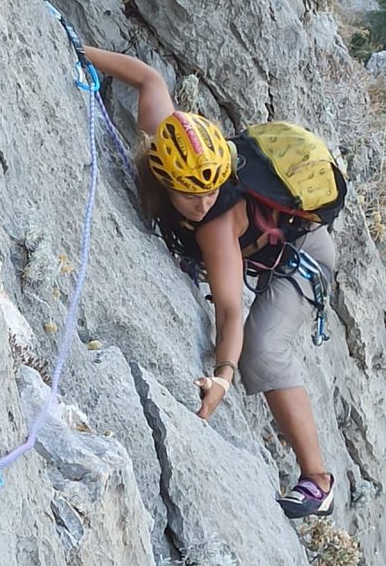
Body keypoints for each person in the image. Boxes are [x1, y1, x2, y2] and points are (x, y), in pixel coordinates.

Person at [85, 44, 339, 519]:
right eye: (190, 195)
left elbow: (228, 308)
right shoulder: (172, 142)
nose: (202, 203)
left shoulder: (216, 223)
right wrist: (80, 51)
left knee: (263, 348)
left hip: (303, 254)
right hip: (269, 247)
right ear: (164, 174)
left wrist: (223, 375)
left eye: (210, 192)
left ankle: (318, 481)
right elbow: (149, 79)